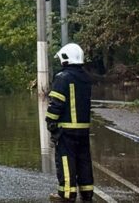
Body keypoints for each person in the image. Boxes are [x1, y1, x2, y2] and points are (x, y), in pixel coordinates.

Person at [46, 43, 94, 202]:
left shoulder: (62, 77)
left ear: (66, 58)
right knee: (84, 161)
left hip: (66, 130)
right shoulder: (86, 78)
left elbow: (56, 104)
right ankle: (87, 194)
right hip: (83, 129)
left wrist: (50, 121)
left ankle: (66, 195)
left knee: (66, 161)